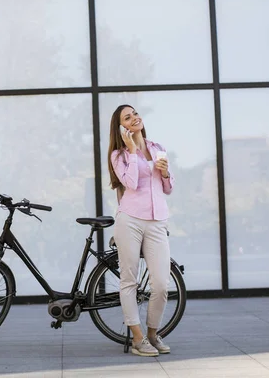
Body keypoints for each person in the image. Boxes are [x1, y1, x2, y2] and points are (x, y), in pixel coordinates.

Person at [107, 104, 174, 357]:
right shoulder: (119, 155)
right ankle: (137, 338)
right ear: (121, 127)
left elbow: (168, 189)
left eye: (134, 113)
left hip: (157, 221)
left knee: (161, 283)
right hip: (130, 221)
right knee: (130, 280)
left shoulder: (157, 148)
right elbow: (131, 183)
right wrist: (133, 150)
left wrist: (167, 174)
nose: (134, 118)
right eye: (127, 117)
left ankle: (153, 333)